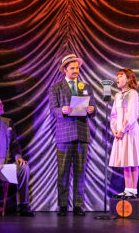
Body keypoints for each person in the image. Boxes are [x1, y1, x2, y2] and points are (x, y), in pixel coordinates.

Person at [48, 53, 95, 216]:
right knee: (62, 172)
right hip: (64, 135)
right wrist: (62, 110)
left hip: (82, 133)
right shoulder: (56, 88)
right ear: (65, 70)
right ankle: (62, 205)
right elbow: (53, 110)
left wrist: (91, 110)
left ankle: (78, 205)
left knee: (80, 171)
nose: (76, 71)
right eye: (72, 68)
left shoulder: (86, 87)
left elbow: (93, 108)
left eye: (77, 68)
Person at [109, 68, 139, 199]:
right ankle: (127, 188)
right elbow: (114, 114)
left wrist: (123, 129)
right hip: (120, 133)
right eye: (117, 76)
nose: (117, 79)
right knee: (125, 161)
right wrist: (115, 130)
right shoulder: (118, 96)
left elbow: (132, 115)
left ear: (129, 78)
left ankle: (133, 190)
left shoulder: (133, 94)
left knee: (132, 159)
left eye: (120, 76)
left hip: (129, 132)